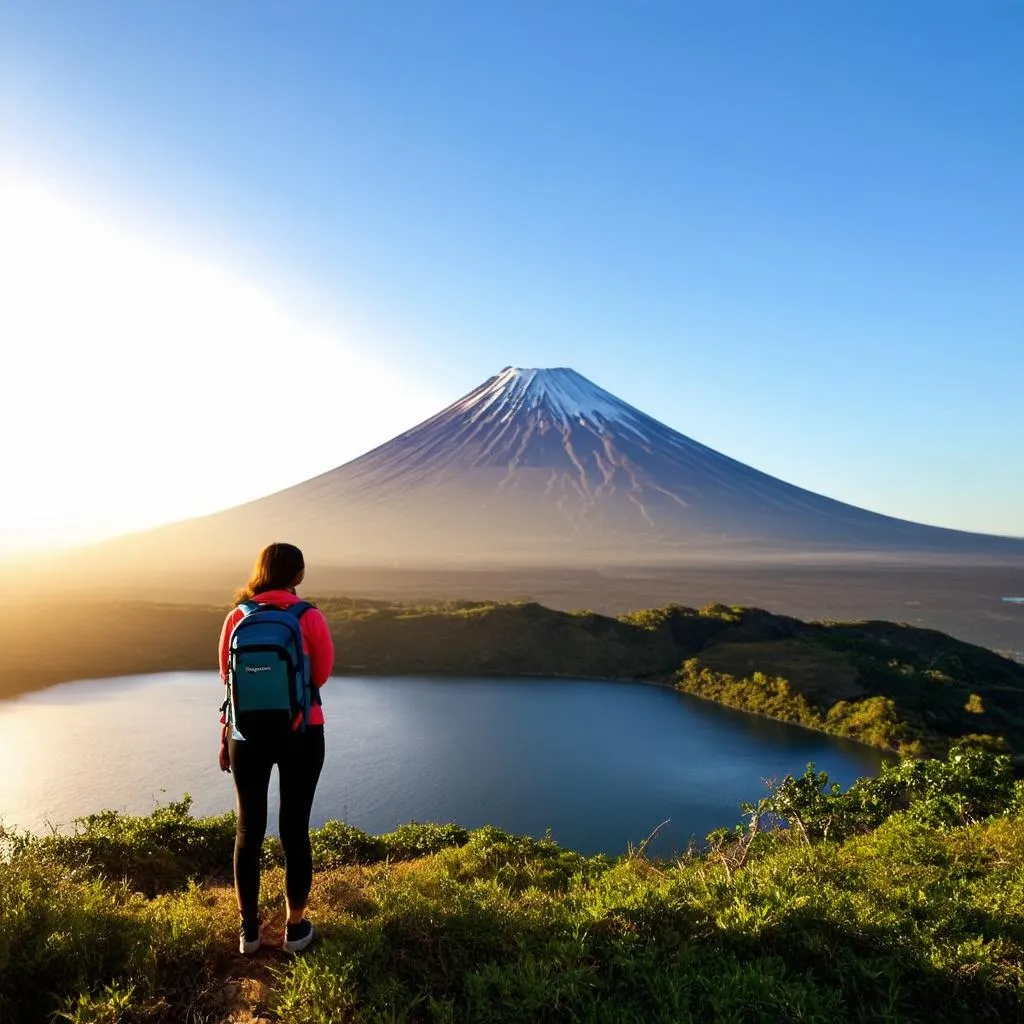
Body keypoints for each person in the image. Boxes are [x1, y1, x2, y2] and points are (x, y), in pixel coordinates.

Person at [218, 542, 334, 955]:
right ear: (298, 575)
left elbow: (227, 681)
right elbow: (319, 675)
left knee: (248, 831)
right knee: (294, 830)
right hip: (302, 733)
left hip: (245, 737)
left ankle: (249, 932)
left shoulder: (237, 617)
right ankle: (295, 930)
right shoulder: (309, 617)